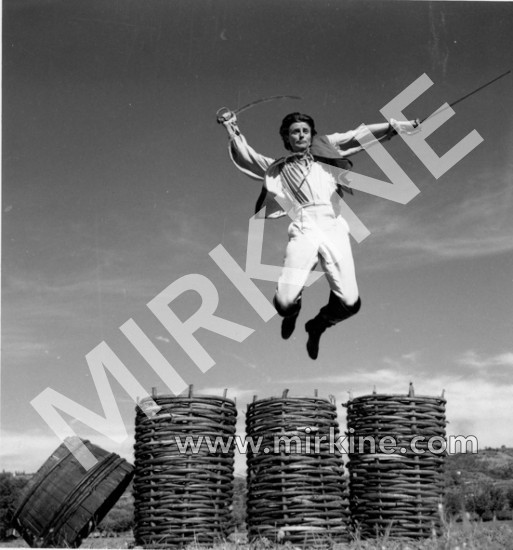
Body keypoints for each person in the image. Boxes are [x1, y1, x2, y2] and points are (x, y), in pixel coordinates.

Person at [219, 110, 418, 359]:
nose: (301, 135)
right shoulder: (278, 167)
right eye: (295, 132)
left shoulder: (326, 150)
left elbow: (358, 135)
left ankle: (318, 325)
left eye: (305, 130)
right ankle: (293, 311)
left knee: (350, 302)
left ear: (311, 134)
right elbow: (246, 155)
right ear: (287, 138)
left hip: (333, 225)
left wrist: (399, 126)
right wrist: (231, 127)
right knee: (283, 303)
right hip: (303, 227)